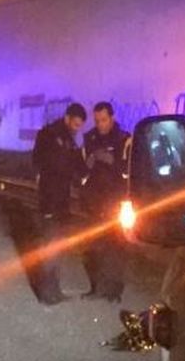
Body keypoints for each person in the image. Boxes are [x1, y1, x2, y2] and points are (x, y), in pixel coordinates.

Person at [30, 102, 87, 304]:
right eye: (75, 124)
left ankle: (54, 290)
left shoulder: (70, 140)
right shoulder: (49, 135)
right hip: (50, 200)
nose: (77, 128)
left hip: (61, 202)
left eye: (80, 125)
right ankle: (46, 294)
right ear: (67, 118)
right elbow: (40, 160)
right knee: (50, 246)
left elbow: (76, 165)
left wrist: (83, 175)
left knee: (57, 247)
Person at [80, 101, 131, 302]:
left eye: (103, 120)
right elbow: (82, 169)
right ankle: (96, 288)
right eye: (97, 120)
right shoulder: (90, 138)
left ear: (112, 118)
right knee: (94, 246)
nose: (100, 124)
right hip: (94, 201)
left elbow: (129, 171)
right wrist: (89, 162)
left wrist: (113, 161)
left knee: (116, 247)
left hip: (115, 202)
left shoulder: (124, 139)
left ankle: (113, 292)